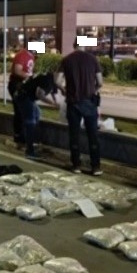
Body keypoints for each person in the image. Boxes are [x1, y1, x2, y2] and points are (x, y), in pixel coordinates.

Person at [55, 41, 104, 175]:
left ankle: (76, 165)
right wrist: (94, 90)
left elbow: (57, 81)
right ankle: (96, 167)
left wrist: (64, 90)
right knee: (92, 135)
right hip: (89, 102)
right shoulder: (93, 59)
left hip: (73, 102)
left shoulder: (66, 60)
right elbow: (100, 82)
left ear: (74, 45)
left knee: (74, 135)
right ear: (84, 45)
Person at [13, 72, 60, 159]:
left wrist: (57, 102)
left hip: (27, 97)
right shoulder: (47, 80)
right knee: (30, 121)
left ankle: (30, 141)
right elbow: (40, 94)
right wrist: (53, 103)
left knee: (37, 114)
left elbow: (54, 93)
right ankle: (30, 151)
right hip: (23, 96)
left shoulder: (53, 82)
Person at [8, 40, 35, 144]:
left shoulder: (31, 56)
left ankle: (24, 136)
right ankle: (19, 136)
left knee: (26, 111)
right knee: (20, 111)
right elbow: (17, 70)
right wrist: (30, 76)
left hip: (25, 86)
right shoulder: (22, 55)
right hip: (17, 85)